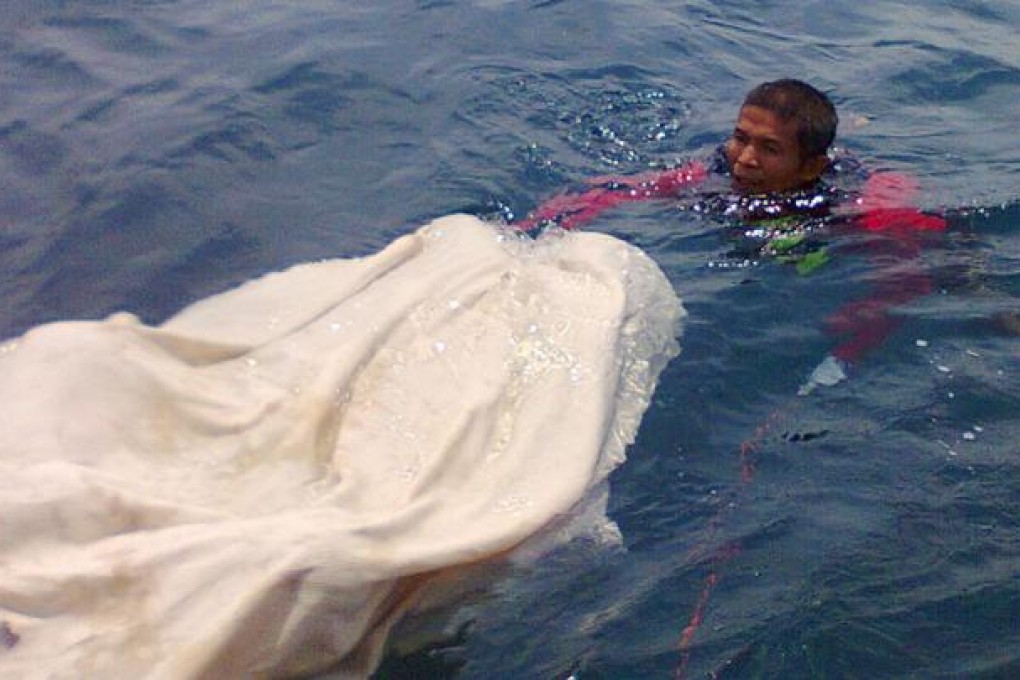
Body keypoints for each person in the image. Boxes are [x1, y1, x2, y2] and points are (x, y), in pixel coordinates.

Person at [514, 79, 947, 393]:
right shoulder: (718, 171)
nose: (746, 160)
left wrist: (860, 325)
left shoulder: (853, 209)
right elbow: (621, 189)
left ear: (811, 167)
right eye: (741, 138)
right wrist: (532, 228)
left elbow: (909, 279)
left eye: (769, 148)